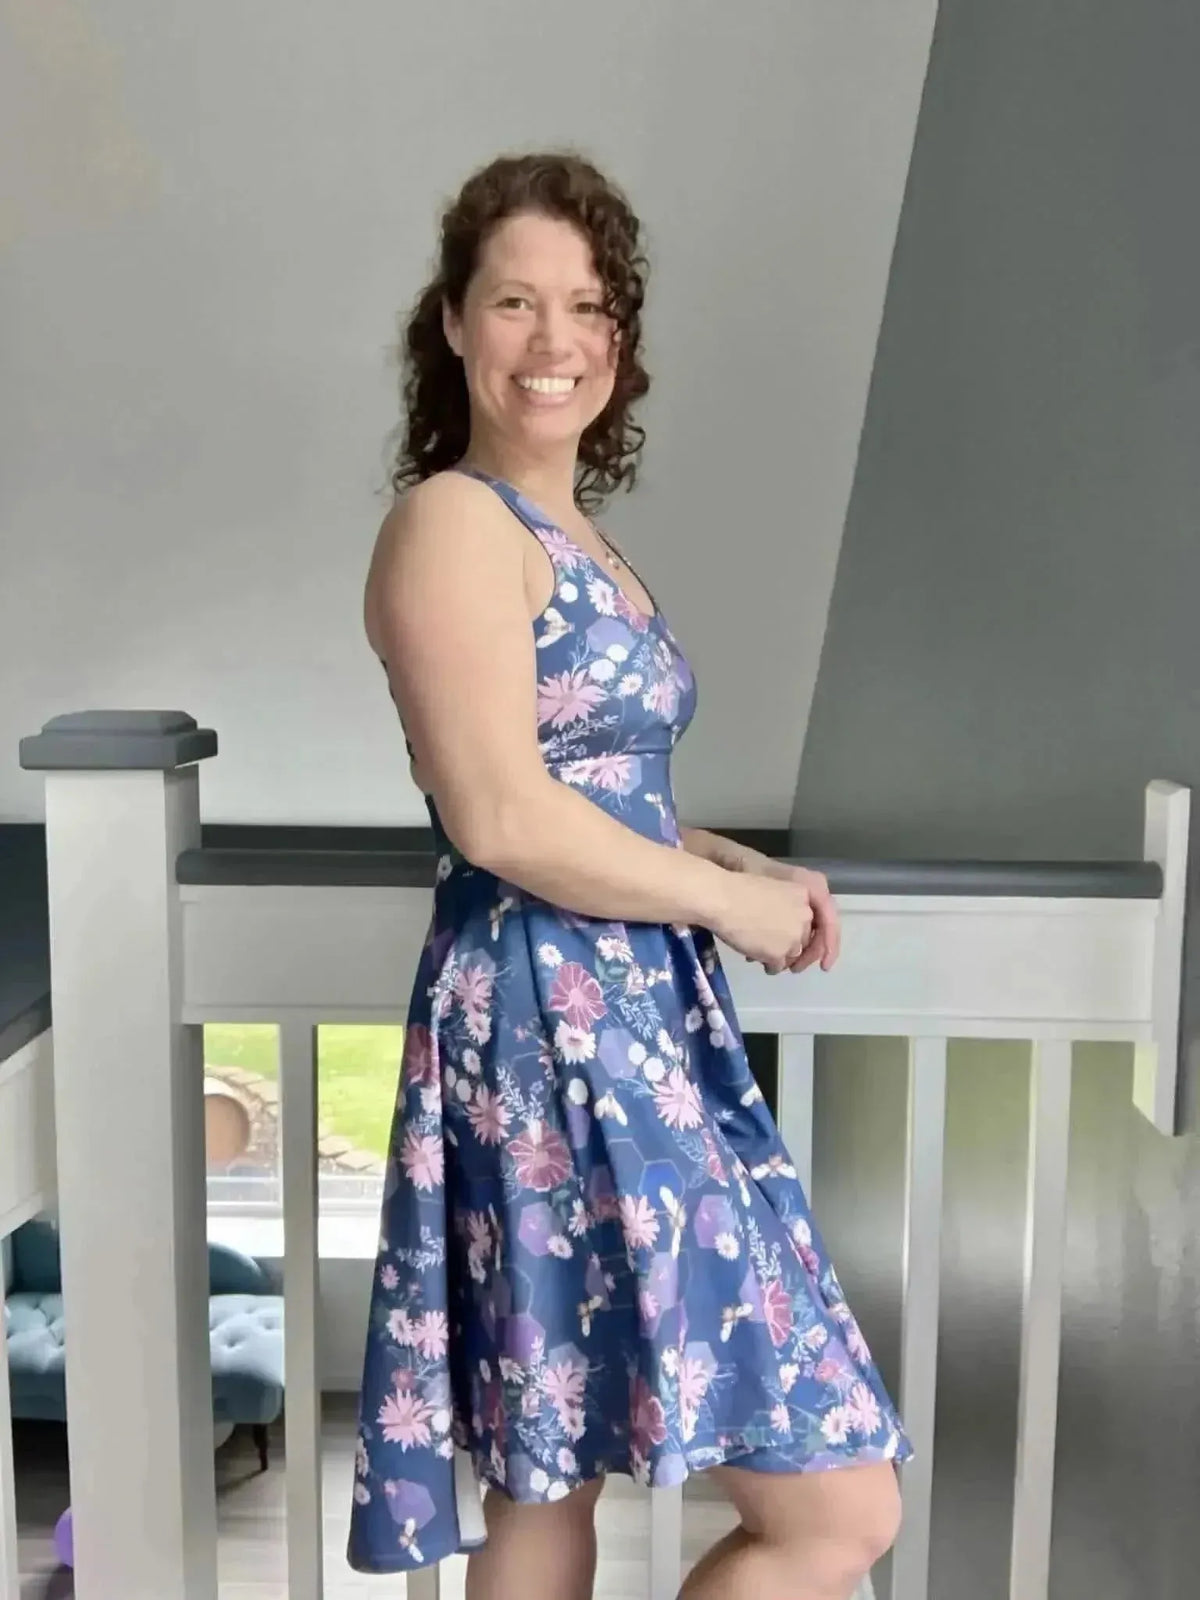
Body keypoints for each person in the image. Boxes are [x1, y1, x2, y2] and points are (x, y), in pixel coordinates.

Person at [348, 151, 910, 1600]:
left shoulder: (569, 537)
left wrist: (719, 852)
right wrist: (725, 904)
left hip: (628, 1019)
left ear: (619, 341)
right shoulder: (450, 524)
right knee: (821, 1509)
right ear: (458, 328)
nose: (555, 341)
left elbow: (596, 783)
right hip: (548, 1026)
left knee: (554, 1477)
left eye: (586, 307)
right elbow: (498, 817)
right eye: (517, 302)